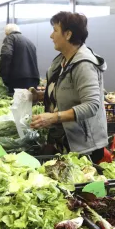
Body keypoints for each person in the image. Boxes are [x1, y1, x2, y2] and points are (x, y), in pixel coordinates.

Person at [30, 11, 109, 163]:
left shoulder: (84, 64)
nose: (51, 36)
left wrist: (53, 117)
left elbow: (92, 105)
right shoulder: (62, 61)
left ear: (68, 34)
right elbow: (64, 91)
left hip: (84, 146)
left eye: (55, 30)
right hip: (64, 139)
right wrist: (39, 96)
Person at [0, 24, 40, 93]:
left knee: (15, 102)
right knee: (29, 102)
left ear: (6, 33)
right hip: (33, 79)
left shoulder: (10, 38)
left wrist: (2, 77)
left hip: (17, 80)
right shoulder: (29, 42)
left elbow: (6, 55)